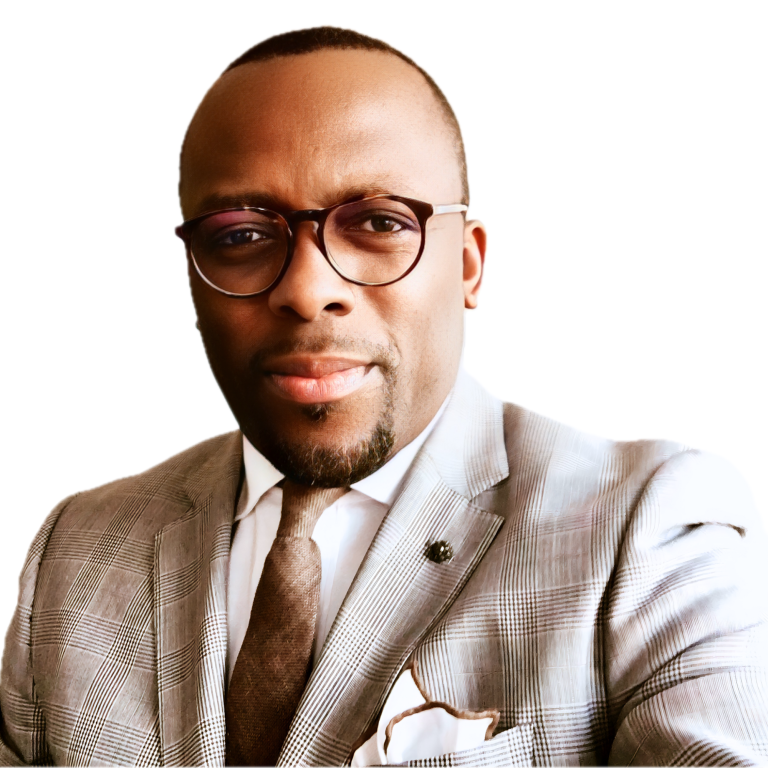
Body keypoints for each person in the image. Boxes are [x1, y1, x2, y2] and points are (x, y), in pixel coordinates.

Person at [1, 25, 767, 767]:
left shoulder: (647, 532)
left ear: (467, 266)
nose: (307, 290)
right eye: (240, 234)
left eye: (377, 222)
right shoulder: (77, 550)